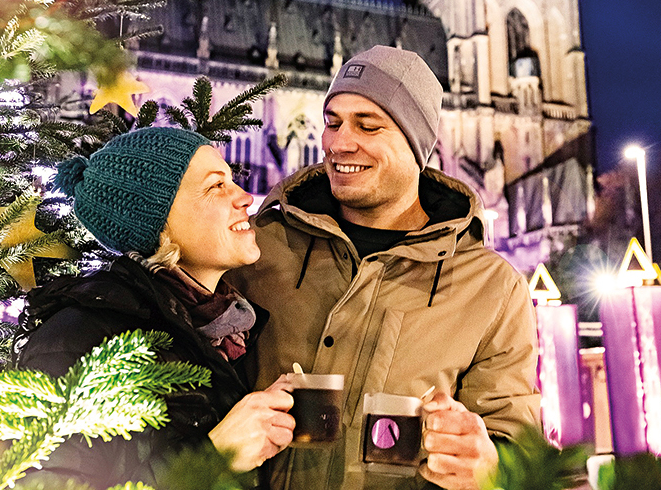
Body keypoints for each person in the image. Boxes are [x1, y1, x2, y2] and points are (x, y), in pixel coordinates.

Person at [224, 45, 541, 490]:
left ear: (418, 147)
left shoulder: (493, 288)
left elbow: (519, 450)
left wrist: (491, 466)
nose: (339, 143)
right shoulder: (255, 248)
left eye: (368, 126)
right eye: (332, 122)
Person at [11, 127, 295, 488]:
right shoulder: (80, 341)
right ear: (159, 226)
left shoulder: (226, 333)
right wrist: (211, 458)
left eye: (232, 180)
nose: (243, 197)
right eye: (215, 186)